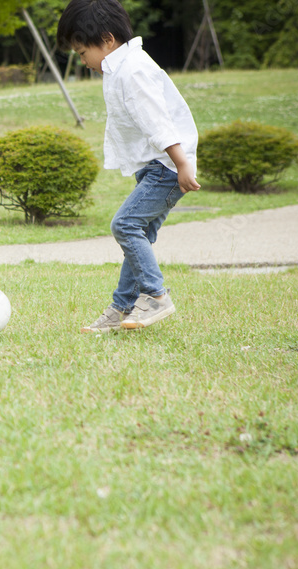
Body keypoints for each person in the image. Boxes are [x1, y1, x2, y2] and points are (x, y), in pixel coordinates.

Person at [57, 0, 200, 333]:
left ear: (107, 40)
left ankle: (156, 295)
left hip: (166, 166)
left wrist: (181, 164)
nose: (83, 61)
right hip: (156, 165)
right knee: (141, 234)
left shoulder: (132, 70)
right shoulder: (120, 66)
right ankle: (121, 308)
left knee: (124, 225)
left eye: (82, 53)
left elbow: (157, 121)